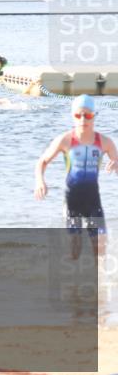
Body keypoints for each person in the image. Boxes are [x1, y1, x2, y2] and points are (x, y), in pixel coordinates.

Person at [35, 95, 117, 259]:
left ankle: (99, 282)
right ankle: (72, 283)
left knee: (100, 245)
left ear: (94, 116)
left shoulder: (105, 142)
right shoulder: (65, 140)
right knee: (75, 247)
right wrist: (40, 181)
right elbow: (42, 162)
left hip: (93, 200)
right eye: (78, 115)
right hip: (72, 200)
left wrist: (116, 164)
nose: (82, 119)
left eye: (87, 115)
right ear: (73, 116)